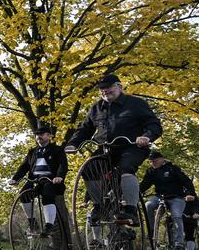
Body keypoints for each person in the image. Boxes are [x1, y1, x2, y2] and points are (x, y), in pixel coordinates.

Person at [65, 74, 162, 226]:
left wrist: (146, 136)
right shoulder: (96, 108)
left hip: (132, 147)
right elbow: (84, 130)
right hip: (106, 150)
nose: (105, 91)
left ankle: (130, 210)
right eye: (102, 89)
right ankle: (99, 205)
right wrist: (73, 144)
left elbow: (154, 125)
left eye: (109, 87)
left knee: (126, 167)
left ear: (119, 86)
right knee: (89, 168)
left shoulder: (136, 103)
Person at [10, 124, 68, 237]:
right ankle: (33, 223)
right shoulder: (32, 152)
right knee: (23, 195)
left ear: (49, 136)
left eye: (41, 134)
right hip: (34, 180)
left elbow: (63, 165)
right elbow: (24, 166)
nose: (38, 137)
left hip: (50, 180)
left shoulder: (57, 150)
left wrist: (59, 176)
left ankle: (49, 226)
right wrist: (15, 179)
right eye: (37, 135)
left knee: (47, 194)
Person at [140, 151, 197, 250]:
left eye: (155, 161)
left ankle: (178, 244)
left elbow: (187, 181)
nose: (153, 163)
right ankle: (151, 231)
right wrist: (135, 194)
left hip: (176, 198)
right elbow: (144, 184)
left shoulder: (173, 169)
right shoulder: (151, 171)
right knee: (148, 205)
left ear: (162, 159)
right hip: (160, 197)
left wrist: (190, 193)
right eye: (151, 162)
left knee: (176, 216)